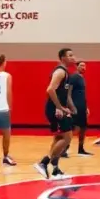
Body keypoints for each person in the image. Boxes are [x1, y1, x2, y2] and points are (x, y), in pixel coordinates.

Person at [35, 47, 75, 180]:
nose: (72, 57)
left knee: (59, 138)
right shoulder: (60, 71)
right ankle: (43, 162)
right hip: (55, 109)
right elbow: (50, 89)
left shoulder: (66, 72)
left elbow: (61, 93)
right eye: (70, 55)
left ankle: (55, 170)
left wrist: (67, 107)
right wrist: (60, 107)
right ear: (62, 58)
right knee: (67, 137)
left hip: (58, 108)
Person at [68, 61, 93, 157]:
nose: (83, 67)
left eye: (85, 66)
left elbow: (82, 95)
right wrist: (71, 107)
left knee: (83, 128)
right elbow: (68, 93)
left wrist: (86, 107)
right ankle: (64, 149)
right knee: (74, 128)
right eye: (81, 65)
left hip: (82, 106)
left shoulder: (82, 78)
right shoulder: (74, 77)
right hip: (75, 106)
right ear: (77, 67)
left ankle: (81, 149)